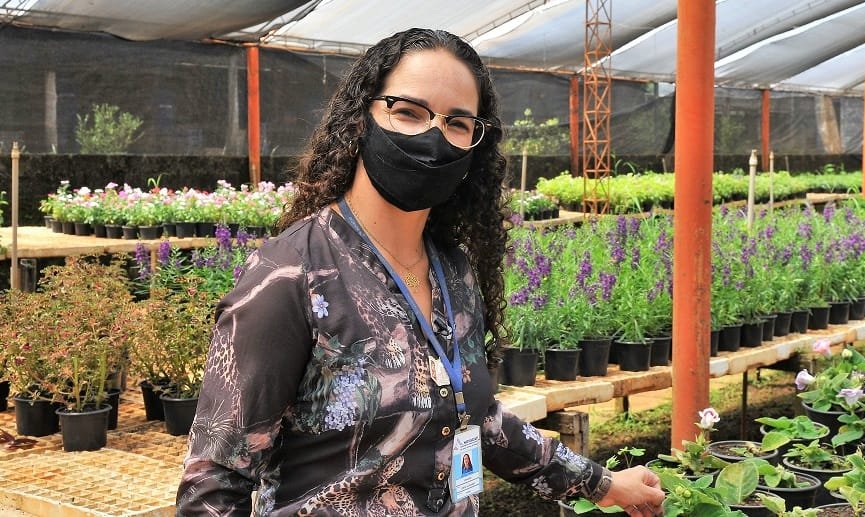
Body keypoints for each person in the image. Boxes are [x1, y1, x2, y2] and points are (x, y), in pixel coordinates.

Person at [175, 28, 665, 516]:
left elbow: (482, 421)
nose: (433, 137)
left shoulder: (453, 272)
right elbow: (214, 484)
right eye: (408, 112)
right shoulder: (291, 273)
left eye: (457, 123)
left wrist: (601, 484)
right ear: (360, 117)